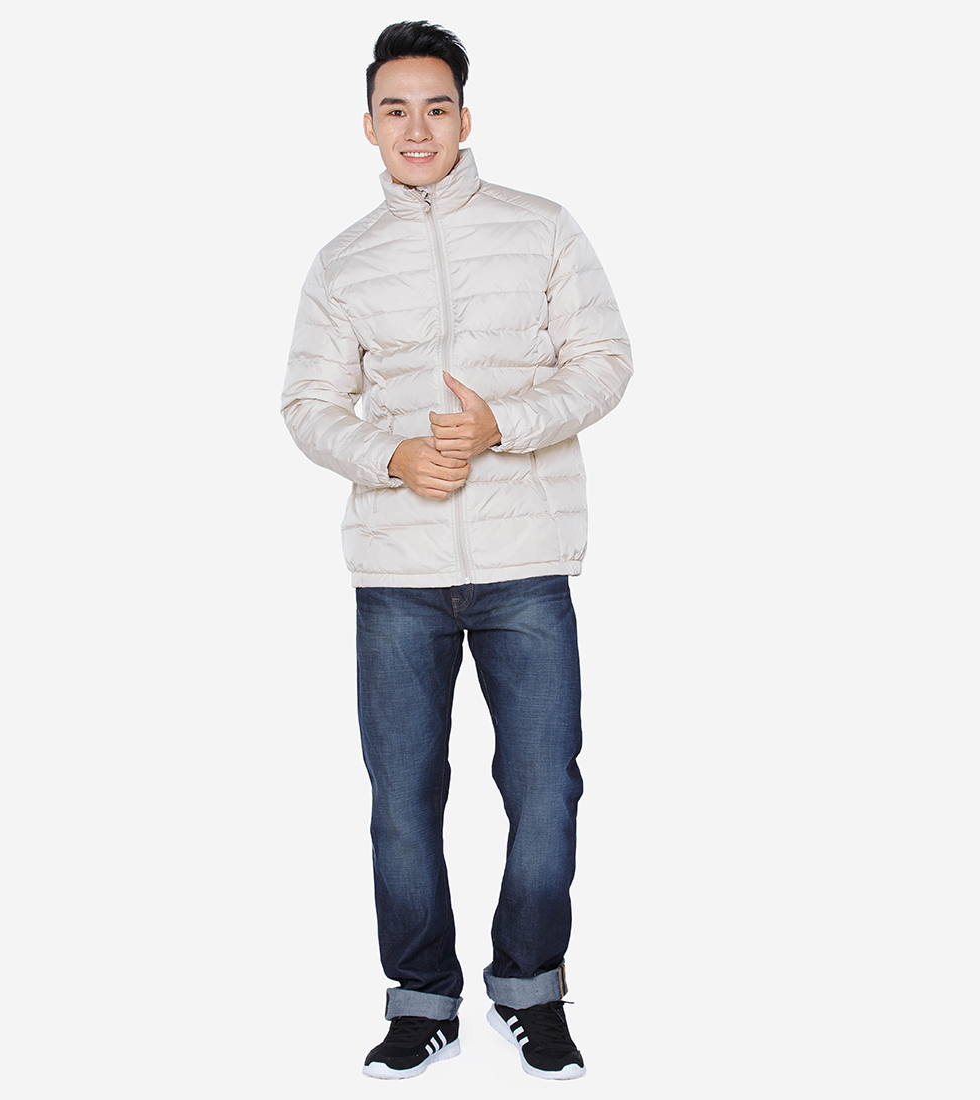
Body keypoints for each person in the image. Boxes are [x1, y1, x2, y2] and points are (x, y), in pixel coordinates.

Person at [282, 21, 631, 1081]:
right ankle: (421, 1002)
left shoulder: (543, 227)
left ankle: (529, 989)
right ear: (368, 126)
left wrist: (500, 427)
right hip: (397, 575)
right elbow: (306, 405)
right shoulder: (343, 261)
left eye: (436, 107)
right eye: (395, 109)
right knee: (401, 800)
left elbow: (604, 361)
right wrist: (390, 455)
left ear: (465, 118)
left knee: (544, 789)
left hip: (526, 561)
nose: (417, 128)